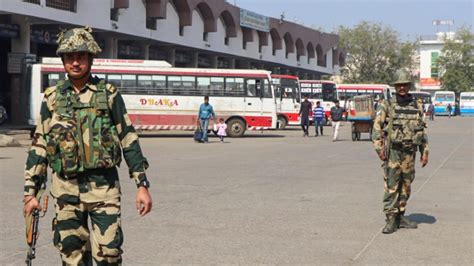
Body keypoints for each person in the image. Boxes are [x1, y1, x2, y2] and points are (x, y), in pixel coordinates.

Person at [22, 27, 153, 265]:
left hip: (104, 191)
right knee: (72, 256)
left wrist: (141, 185)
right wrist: (31, 193)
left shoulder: (109, 95)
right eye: (70, 57)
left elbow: (128, 139)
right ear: (63, 61)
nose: (75, 62)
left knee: (109, 253)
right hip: (65, 191)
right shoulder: (52, 98)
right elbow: (39, 146)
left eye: (81, 56)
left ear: (90, 58)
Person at [372, 70, 429, 234]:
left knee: (406, 185)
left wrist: (425, 151)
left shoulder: (416, 104)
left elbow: (422, 130)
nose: (402, 88)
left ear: (409, 86)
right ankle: (390, 218)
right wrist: (379, 149)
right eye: (399, 85)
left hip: (410, 153)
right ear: (395, 87)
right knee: (391, 186)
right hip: (393, 153)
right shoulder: (387, 104)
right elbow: (376, 128)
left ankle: (400, 215)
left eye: (405, 85)